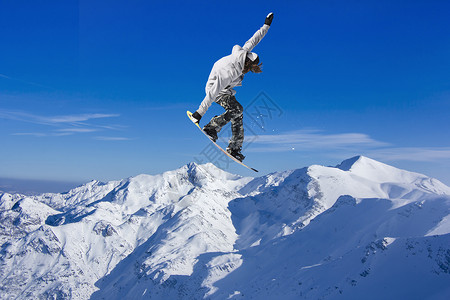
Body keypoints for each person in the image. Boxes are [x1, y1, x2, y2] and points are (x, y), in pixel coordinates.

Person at [191, 12, 274, 162]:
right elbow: (212, 93)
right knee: (237, 110)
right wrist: (198, 114)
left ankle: (235, 148)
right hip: (215, 90)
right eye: (252, 67)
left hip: (226, 90)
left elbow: (254, 39)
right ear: (247, 64)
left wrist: (266, 25)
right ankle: (211, 127)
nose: (251, 70)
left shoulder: (243, 54)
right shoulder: (228, 71)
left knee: (238, 114)